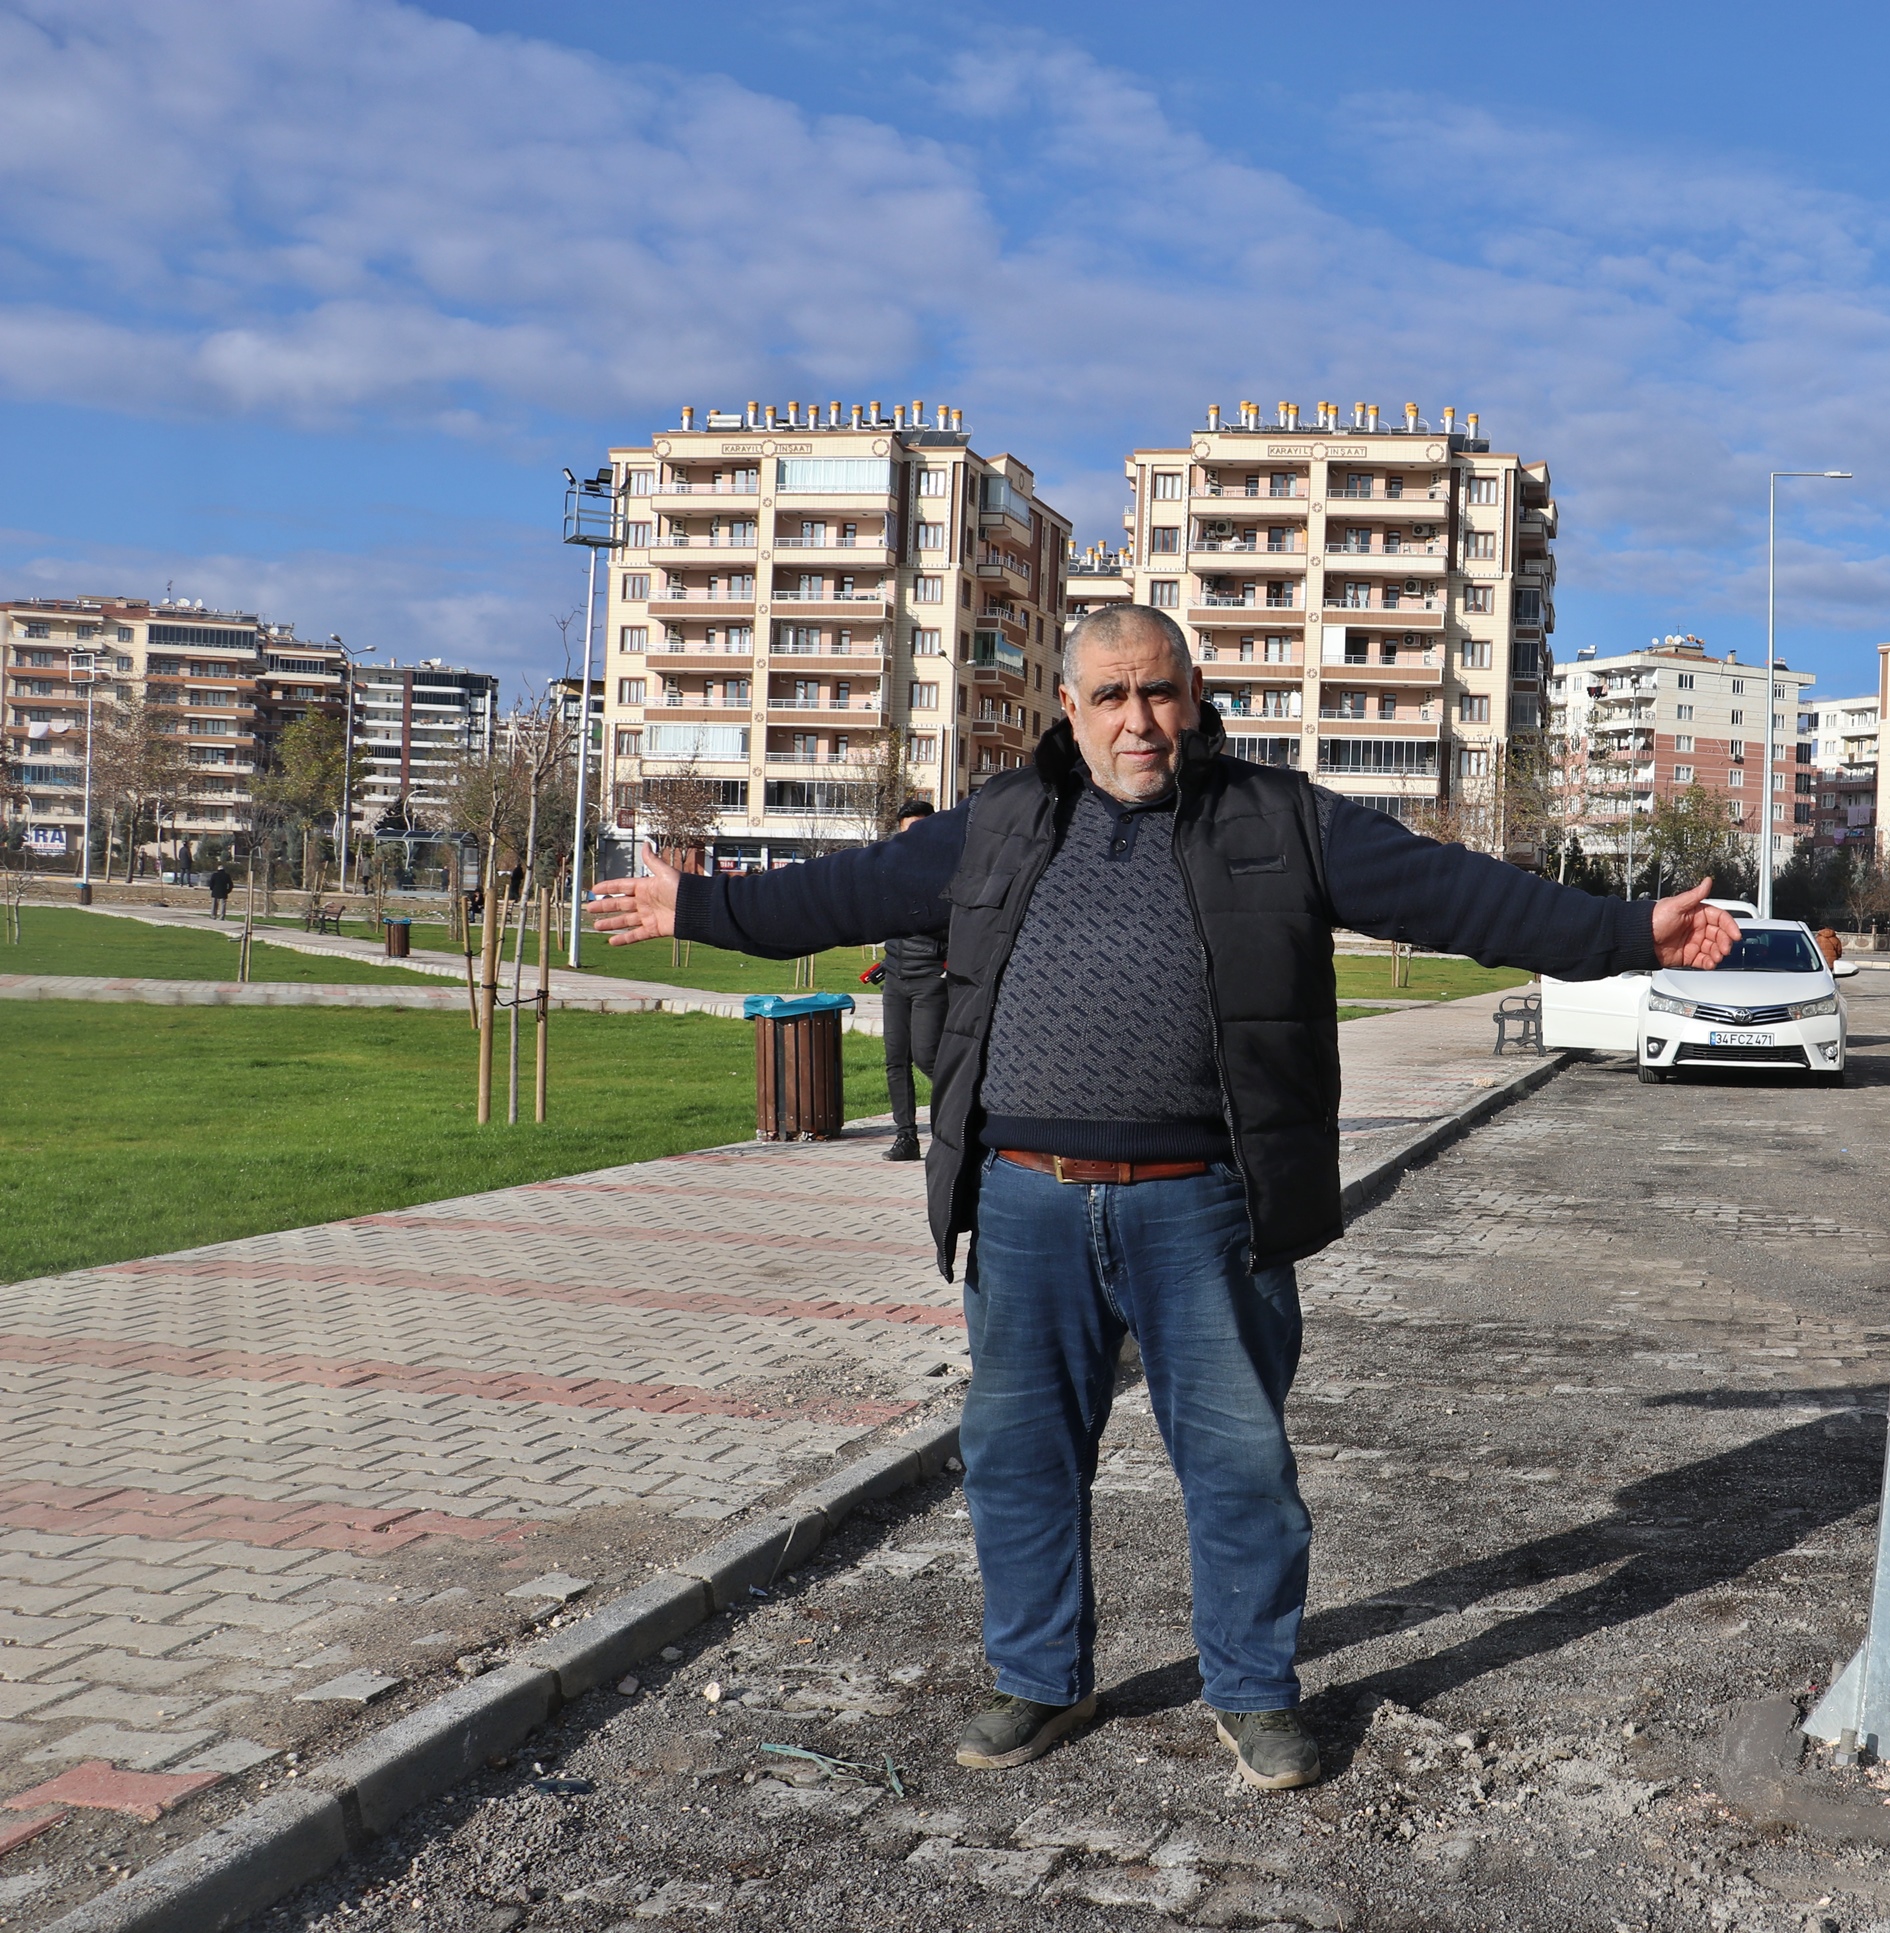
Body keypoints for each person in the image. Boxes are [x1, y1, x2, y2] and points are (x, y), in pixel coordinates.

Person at [590, 604, 1735, 1793]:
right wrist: (701, 907)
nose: (1140, 721)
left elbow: (1452, 896)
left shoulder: (1278, 818)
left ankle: (1253, 1692)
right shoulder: (998, 823)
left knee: (1238, 1464)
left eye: (1160, 693)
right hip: (1026, 1201)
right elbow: (846, 894)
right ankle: (1040, 1681)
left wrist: (1623, 932)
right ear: (1069, 709)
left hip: (1204, 1204)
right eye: (1112, 697)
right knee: (1018, 1457)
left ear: (1193, 697)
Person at [876, 799, 945, 1162]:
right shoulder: (892, 869)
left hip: (930, 976)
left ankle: (953, 1134)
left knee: (927, 1058)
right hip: (895, 975)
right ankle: (906, 1138)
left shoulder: (948, 871)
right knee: (894, 1059)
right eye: (907, 831)